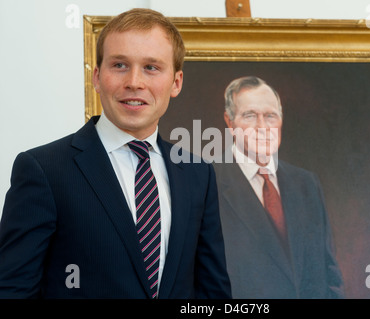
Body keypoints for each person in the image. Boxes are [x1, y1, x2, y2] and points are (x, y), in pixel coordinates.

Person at [0, 8, 231, 299]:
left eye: (151, 67)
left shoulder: (197, 173)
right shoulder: (44, 170)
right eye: (120, 65)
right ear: (97, 77)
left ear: (176, 82)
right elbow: (12, 290)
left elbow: (213, 294)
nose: (134, 81)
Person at [214, 76, 344, 298]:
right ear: (230, 122)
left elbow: (328, 273)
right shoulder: (207, 184)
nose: (262, 127)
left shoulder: (306, 184)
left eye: (270, 116)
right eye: (250, 116)